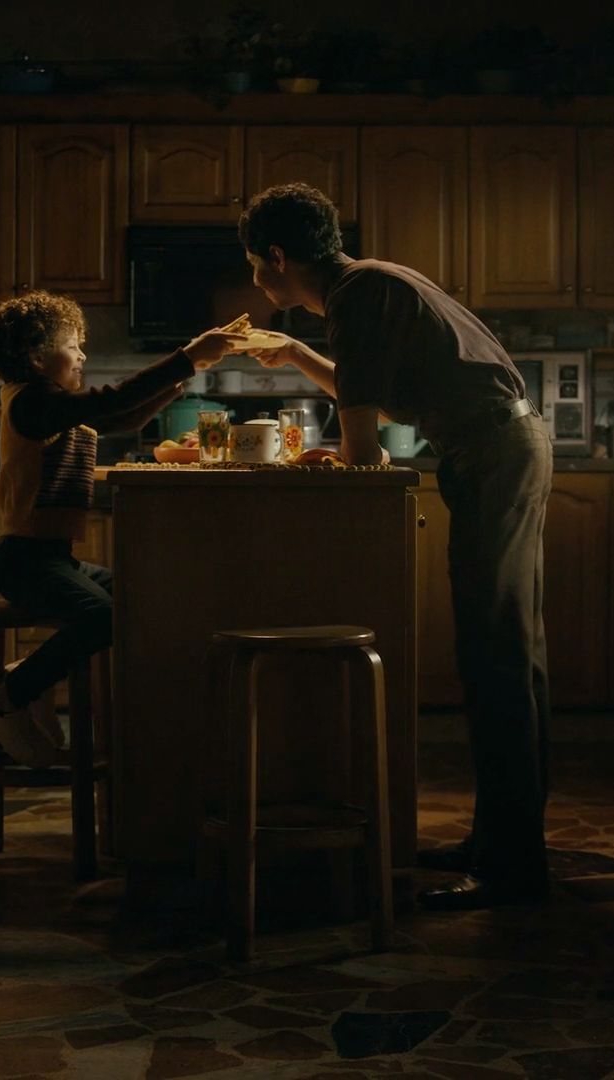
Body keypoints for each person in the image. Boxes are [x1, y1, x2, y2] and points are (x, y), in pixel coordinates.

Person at [237, 183, 554, 909]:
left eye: (256, 265)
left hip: (493, 451)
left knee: (496, 654)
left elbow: (362, 449)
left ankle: (512, 866)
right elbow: (363, 388)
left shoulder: (356, 298)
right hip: (505, 444)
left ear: (278, 259)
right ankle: (504, 842)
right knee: (511, 653)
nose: (258, 280)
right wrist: (295, 353)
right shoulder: (371, 281)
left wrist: (337, 460)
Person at [0, 290, 245, 765]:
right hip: (24, 562)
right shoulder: (32, 402)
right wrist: (186, 358)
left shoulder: (53, 404)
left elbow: (122, 416)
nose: (83, 355)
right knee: (102, 615)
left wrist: (187, 375)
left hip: (52, 558)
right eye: (73, 345)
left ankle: (37, 673)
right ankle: (7, 697)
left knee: (138, 597)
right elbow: (114, 401)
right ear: (37, 356)